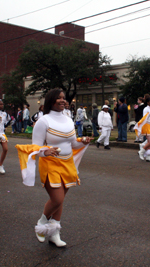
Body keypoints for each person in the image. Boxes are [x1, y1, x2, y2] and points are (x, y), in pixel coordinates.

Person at [22, 88, 90, 247]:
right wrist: (46, 151)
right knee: (57, 198)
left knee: (60, 201)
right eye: (59, 98)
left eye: (63, 98)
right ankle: (41, 224)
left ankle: (54, 233)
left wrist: (83, 141)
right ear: (51, 100)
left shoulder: (67, 119)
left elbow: (73, 144)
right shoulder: (43, 121)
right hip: (50, 164)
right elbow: (35, 148)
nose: (62, 100)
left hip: (68, 163)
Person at [135, 97, 150, 162]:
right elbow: (145, 118)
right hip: (147, 125)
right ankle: (141, 152)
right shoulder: (146, 109)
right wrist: (149, 114)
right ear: (147, 102)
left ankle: (148, 156)